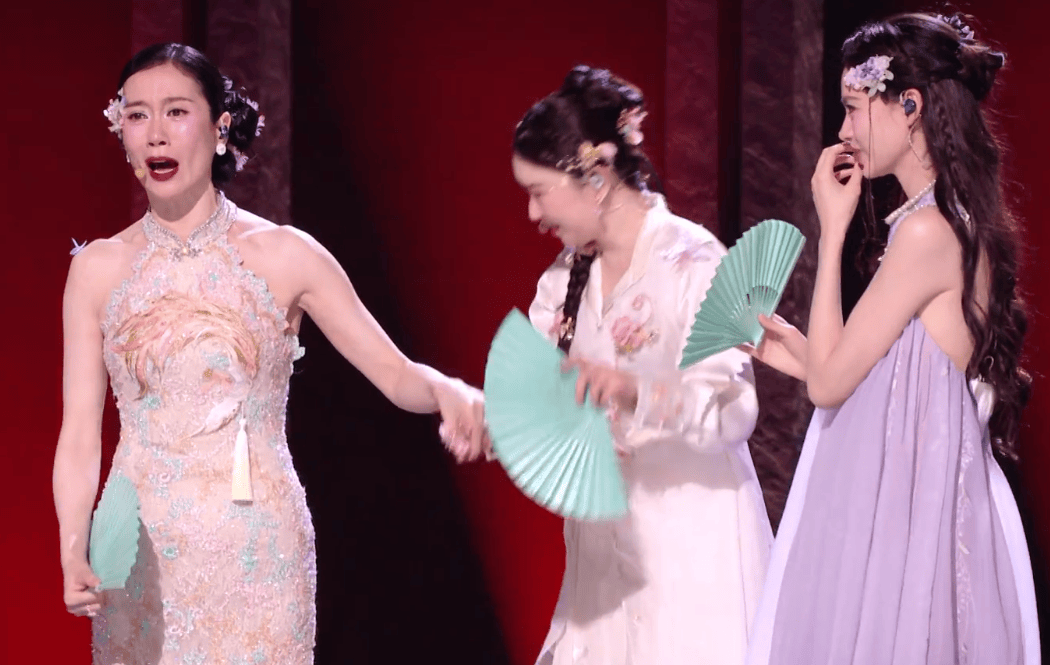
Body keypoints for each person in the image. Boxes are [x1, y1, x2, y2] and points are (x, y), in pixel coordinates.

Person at [53, 42, 487, 664]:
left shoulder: (286, 254)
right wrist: (73, 546)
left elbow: (394, 374)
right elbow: (78, 435)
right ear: (120, 130)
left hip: (258, 555)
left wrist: (446, 389)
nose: (155, 134)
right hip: (139, 556)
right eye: (137, 114)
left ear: (219, 127)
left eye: (176, 111)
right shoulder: (97, 269)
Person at [743, 13, 1039, 664]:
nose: (843, 131)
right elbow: (890, 377)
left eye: (853, 108)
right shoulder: (942, 223)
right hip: (911, 508)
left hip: (911, 516)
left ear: (909, 106)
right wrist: (793, 349)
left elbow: (830, 385)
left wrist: (831, 229)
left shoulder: (928, 233)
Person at [512, 65, 773, 665]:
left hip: (690, 553)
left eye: (539, 191)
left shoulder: (694, 259)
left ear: (596, 175)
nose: (532, 214)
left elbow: (733, 412)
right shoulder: (561, 283)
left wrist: (633, 390)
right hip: (603, 559)